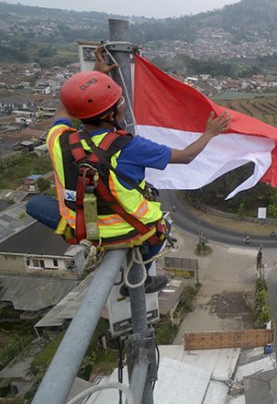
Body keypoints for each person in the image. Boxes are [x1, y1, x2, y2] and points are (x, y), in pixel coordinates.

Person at [27, 48, 230, 295]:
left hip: (79, 228)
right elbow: (186, 156)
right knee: (161, 225)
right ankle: (141, 281)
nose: (124, 104)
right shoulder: (131, 147)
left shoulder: (58, 140)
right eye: (120, 102)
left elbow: (65, 110)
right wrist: (210, 132)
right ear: (111, 114)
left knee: (34, 204)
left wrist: (93, 76)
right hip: (127, 230)